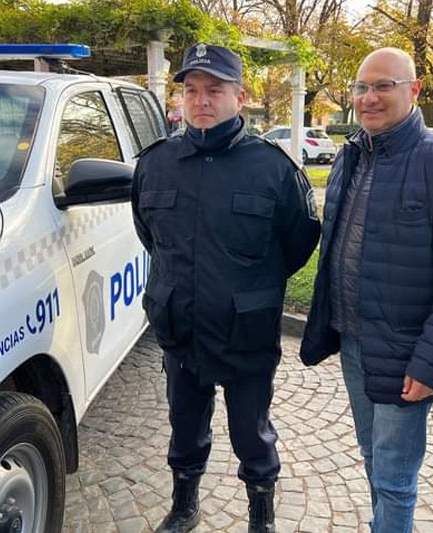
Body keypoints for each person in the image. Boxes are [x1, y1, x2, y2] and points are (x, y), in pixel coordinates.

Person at [299, 48, 433, 533]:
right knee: (373, 456)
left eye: (383, 86)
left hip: (406, 350)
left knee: (394, 476)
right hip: (354, 340)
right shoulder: (351, 155)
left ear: (414, 90)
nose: (369, 97)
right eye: (361, 87)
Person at [131, 42, 320, 533]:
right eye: (192, 90)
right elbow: (151, 237)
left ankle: (261, 516)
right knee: (184, 428)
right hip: (181, 328)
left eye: (214, 90)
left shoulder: (273, 168)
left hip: (245, 333)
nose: (201, 101)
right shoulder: (155, 164)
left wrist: (247, 286)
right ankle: (185, 506)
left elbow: (298, 242)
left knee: (252, 434)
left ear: (241, 96)